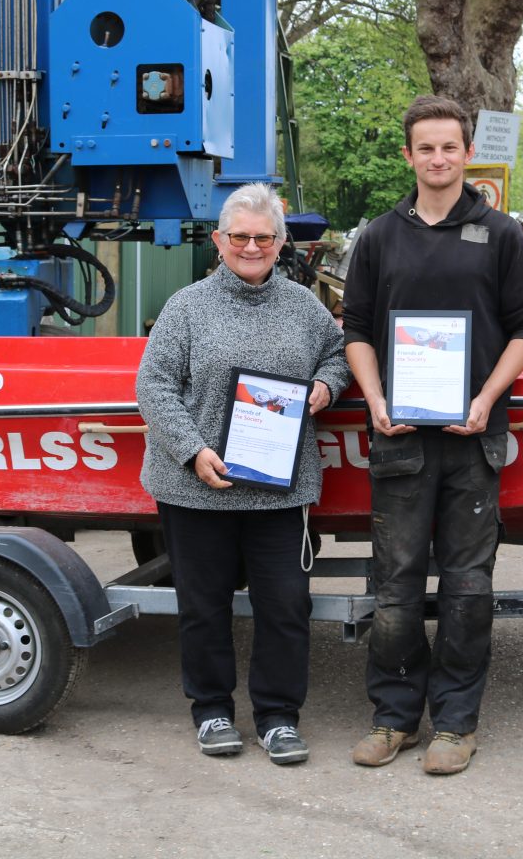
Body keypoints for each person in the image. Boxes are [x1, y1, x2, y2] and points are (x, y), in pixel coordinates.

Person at [341, 95, 523, 775]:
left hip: (473, 438)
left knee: (467, 587)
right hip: (399, 437)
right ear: (409, 155)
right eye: (425, 147)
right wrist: (372, 399)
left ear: (465, 154)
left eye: (449, 147)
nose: (437, 158)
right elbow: (358, 330)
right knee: (394, 585)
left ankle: (456, 724)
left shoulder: (502, 234)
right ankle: (394, 717)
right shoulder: (377, 237)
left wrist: (488, 398)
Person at [136, 183, 350, 765]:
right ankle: (210, 711)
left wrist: (328, 386)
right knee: (202, 607)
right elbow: (152, 386)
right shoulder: (186, 307)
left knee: (285, 607)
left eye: (264, 237)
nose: (251, 246)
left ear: (281, 244)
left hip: (279, 493)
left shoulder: (305, 308)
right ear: (219, 240)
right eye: (240, 236)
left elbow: (338, 354)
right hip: (195, 487)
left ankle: (279, 717)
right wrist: (192, 451)